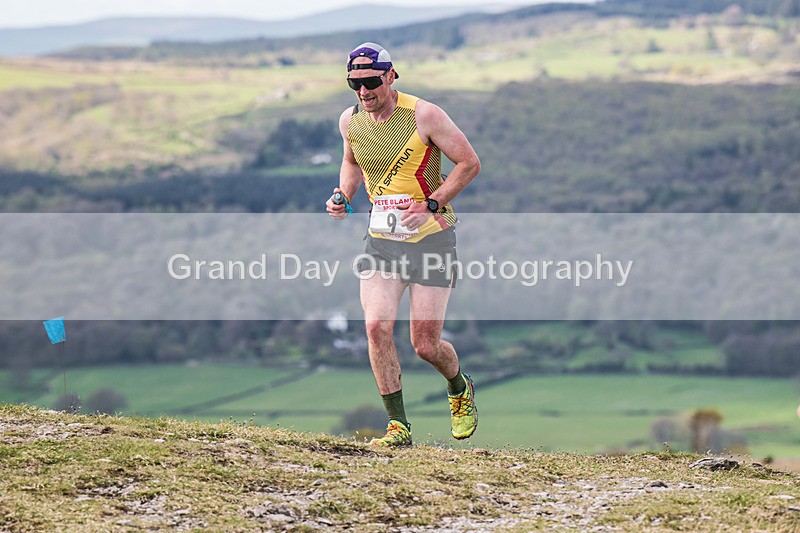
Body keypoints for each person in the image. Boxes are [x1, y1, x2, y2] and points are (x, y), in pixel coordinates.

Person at [326, 42, 481, 447]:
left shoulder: (424, 114)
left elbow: (469, 163)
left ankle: (459, 386)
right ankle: (398, 427)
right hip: (382, 243)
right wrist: (343, 194)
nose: (364, 92)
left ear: (391, 76)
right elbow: (352, 161)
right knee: (376, 328)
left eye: (372, 82)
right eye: (354, 84)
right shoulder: (351, 121)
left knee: (425, 345)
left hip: (432, 242)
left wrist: (432, 203)